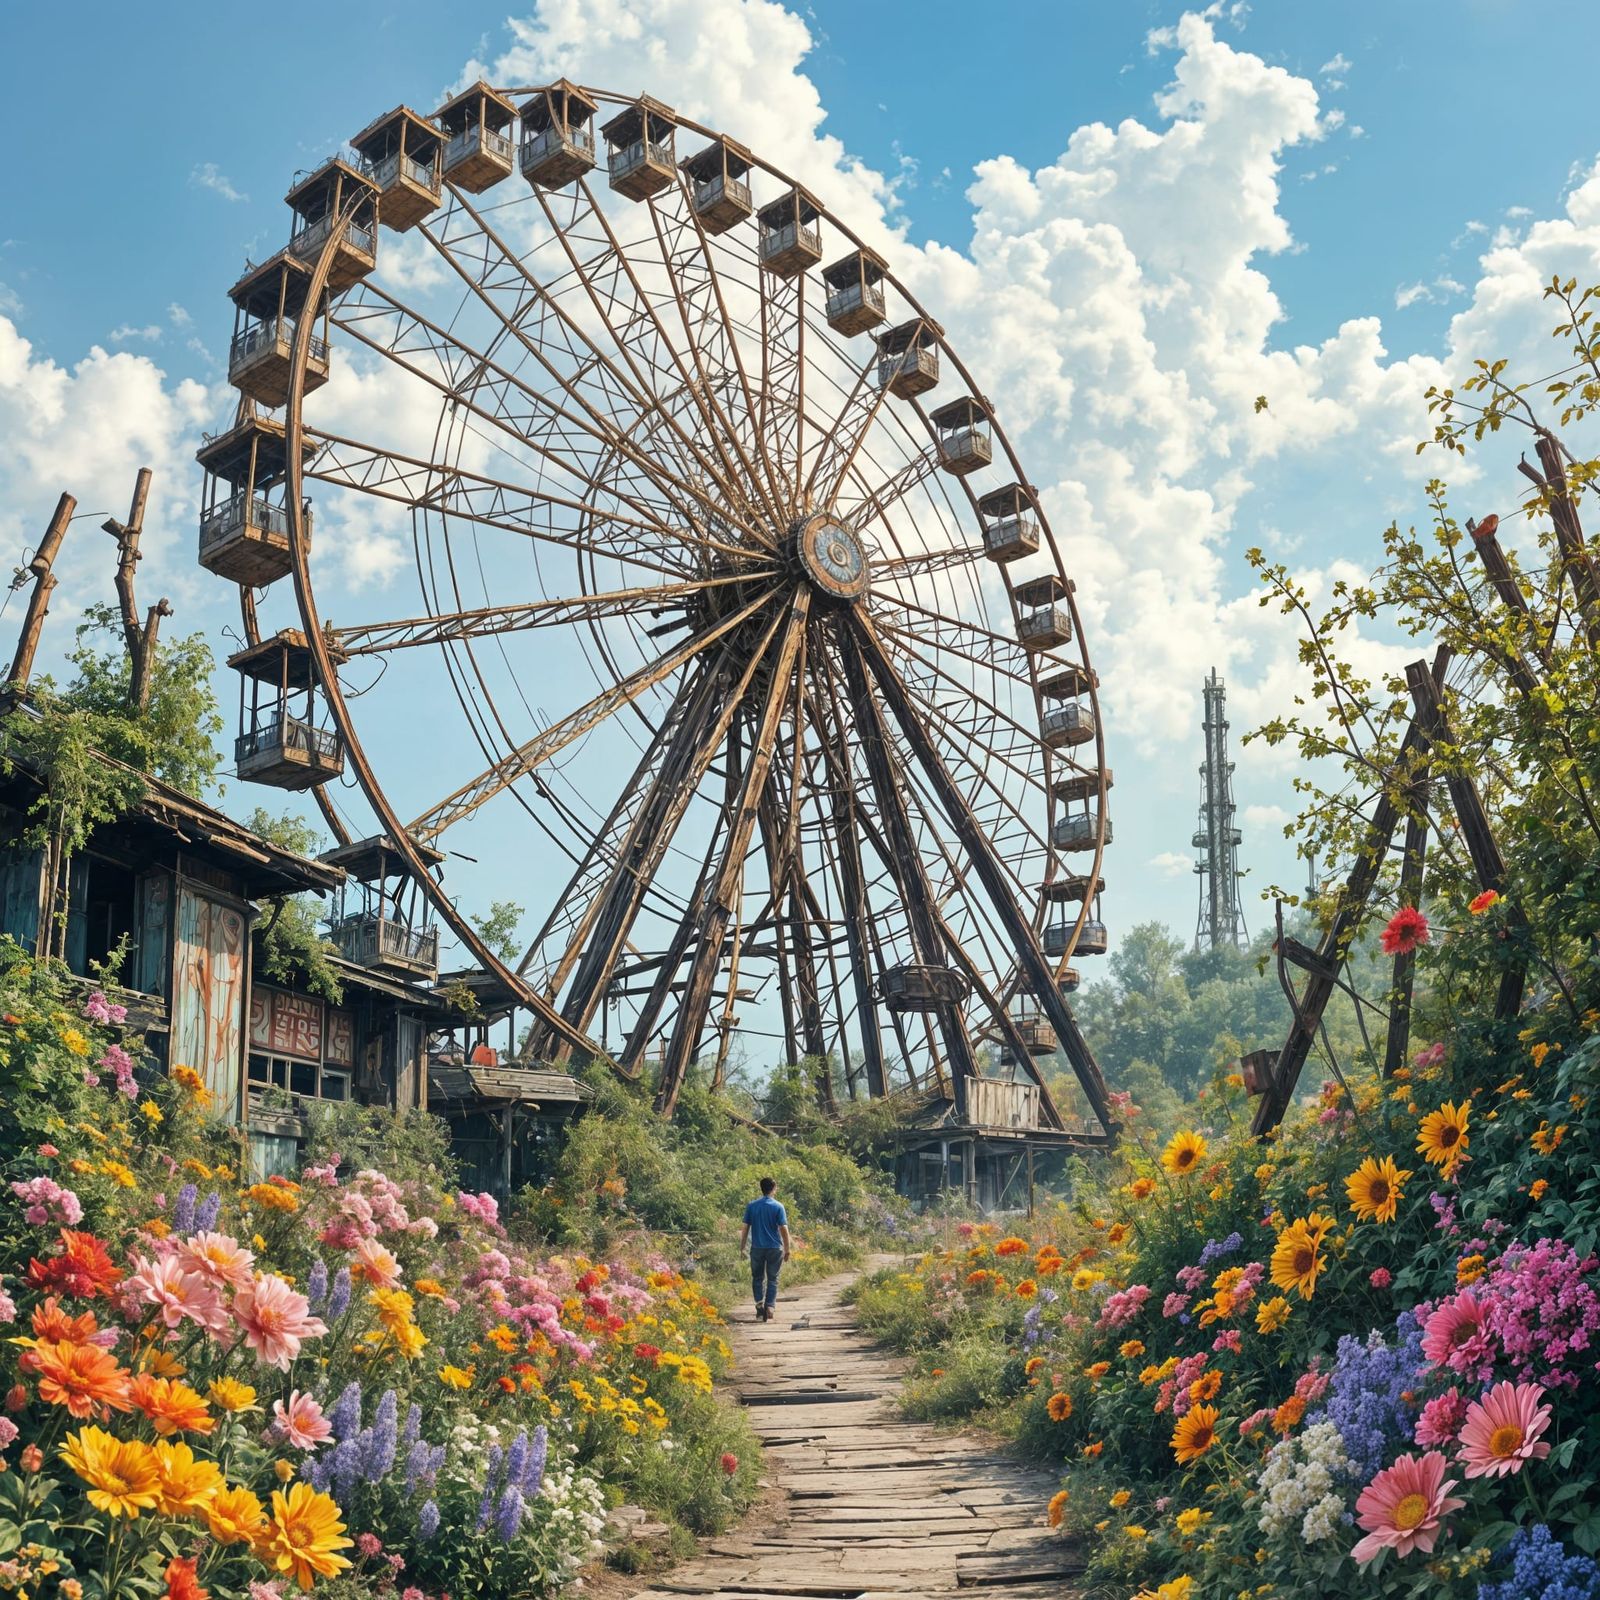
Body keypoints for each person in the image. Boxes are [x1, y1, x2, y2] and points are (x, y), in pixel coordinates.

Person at [739, 1176, 791, 1323]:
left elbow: (745, 1228)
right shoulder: (778, 1206)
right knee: (773, 1279)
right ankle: (770, 1307)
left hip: (757, 1248)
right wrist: (787, 1249)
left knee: (757, 1277)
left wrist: (742, 1247)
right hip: (775, 1248)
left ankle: (759, 1303)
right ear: (773, 1188)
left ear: (761, 1188)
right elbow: (784, 1229)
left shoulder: (752, 1206)